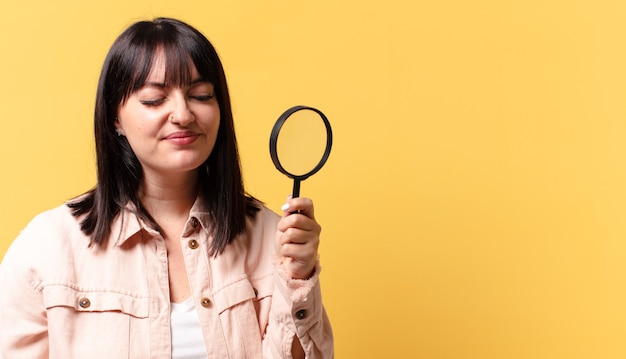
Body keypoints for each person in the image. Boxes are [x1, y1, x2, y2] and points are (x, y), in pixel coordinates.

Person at [0, 17, 333, 358]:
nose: (183, 114)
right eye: (154, 99)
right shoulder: (47, 247)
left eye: (201, 95)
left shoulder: (269, 236)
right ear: (115, 117)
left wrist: (298, 278)